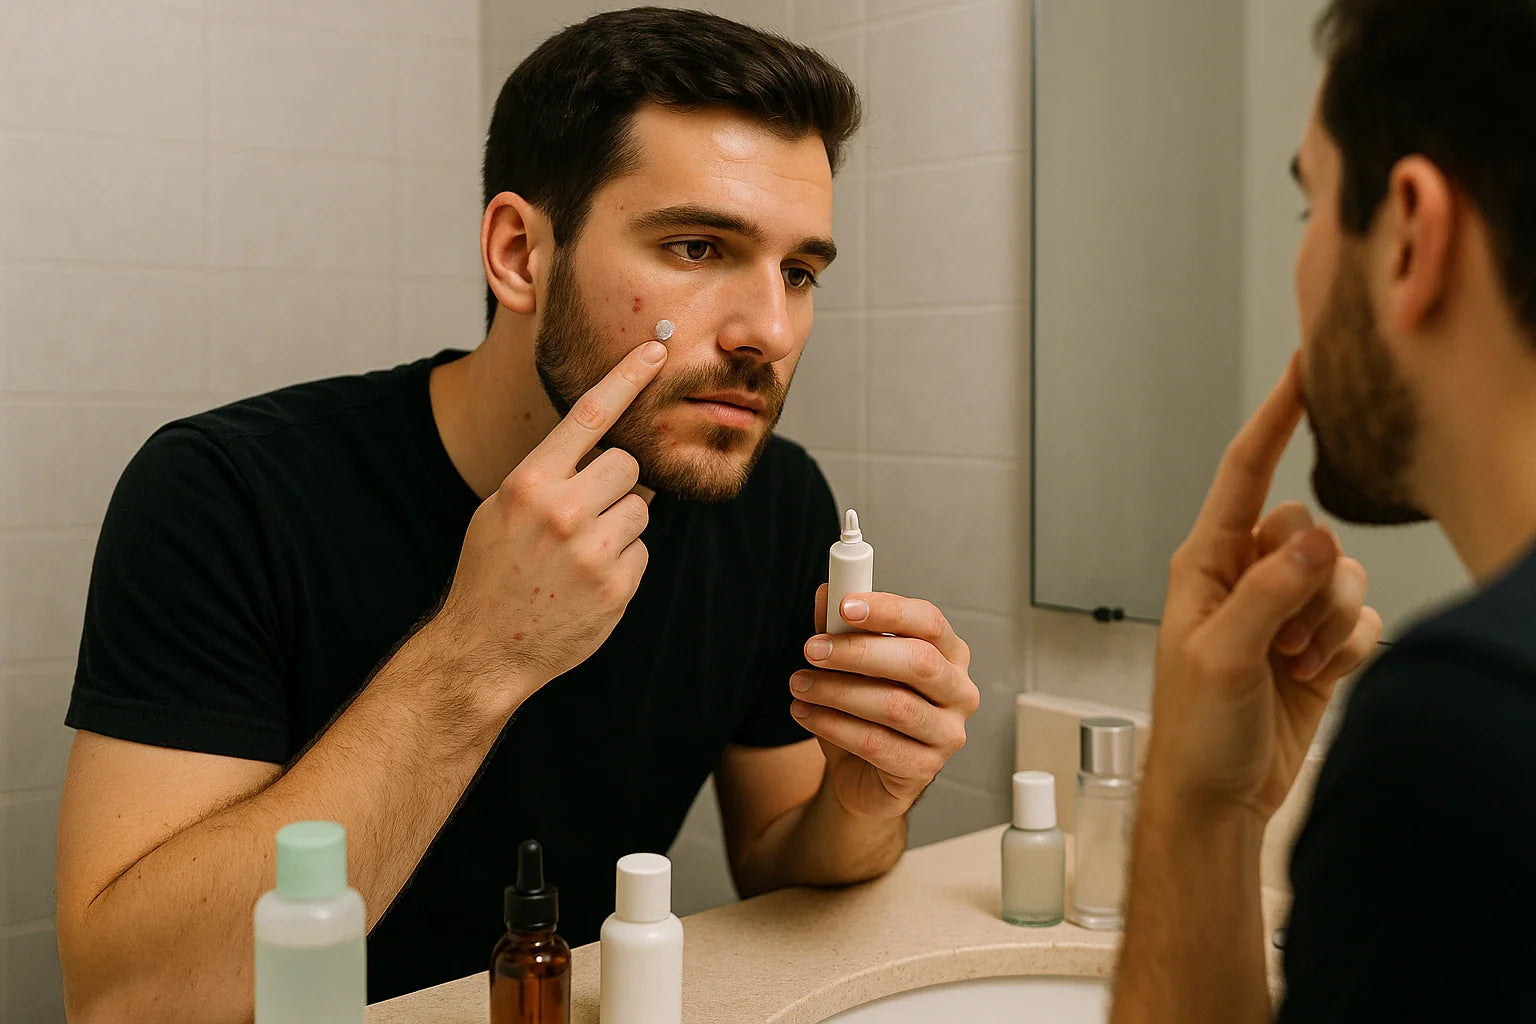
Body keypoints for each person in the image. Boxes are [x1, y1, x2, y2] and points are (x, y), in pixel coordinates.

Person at [53, 9, 981, 1020]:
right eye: (699, 246)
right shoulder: (226, 494)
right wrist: (475, 656)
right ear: (519, 254)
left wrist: (859, 803)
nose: (769, 329)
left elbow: (778, 865)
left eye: (799, 273)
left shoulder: (768, 499)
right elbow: (127, 998)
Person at [1114, 0, 1536, 1019]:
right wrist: (1215, 805)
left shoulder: (1460, 732)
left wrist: (1177, 799)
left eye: (1311, 212)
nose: (1301, 270)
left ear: (1409, 236)